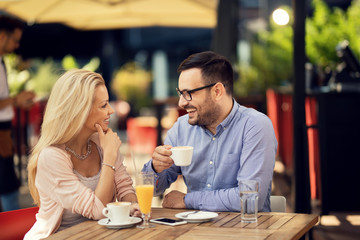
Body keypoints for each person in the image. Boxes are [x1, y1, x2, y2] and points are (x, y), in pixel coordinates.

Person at [142, 51, 277, 212]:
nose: (181, 103)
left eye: (188, 93)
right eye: (180, 93)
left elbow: (250, 199)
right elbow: (153, 190)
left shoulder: (255, 126)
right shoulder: (181, 128)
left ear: (217, 91)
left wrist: (187, 200)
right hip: (194, 232)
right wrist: (155, 168)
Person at [25, 69, 139, 239]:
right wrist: (109, 156)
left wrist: (133, 206)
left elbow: (124, 187)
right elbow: (98, 210)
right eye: (103, 105)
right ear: (80, 111)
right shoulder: (51, 157)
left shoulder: (103, 143)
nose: (111, 111)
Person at [0, 15, 35, 211]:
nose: (16, 45)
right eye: (14, 40)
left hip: (5, 134)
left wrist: (17, 101)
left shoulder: (2, 62)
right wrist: (15, 100)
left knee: (8, 186)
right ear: (2, 37)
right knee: (9, 189)